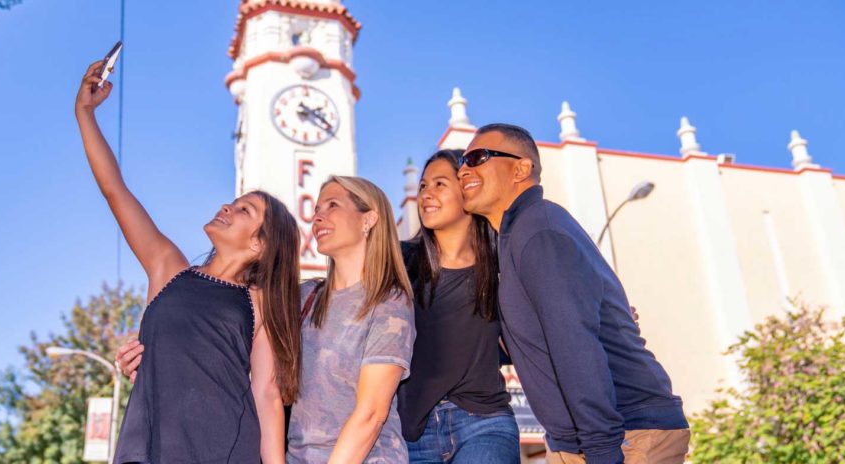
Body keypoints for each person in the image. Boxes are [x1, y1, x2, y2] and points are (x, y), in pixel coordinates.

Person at [75, 60, 301, 464]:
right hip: (146, 451)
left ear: (259, 245)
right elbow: (114, 190)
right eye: (233, 202)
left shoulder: (260, 300)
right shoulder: (169, 269)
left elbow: (266, 394)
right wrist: (86, 115)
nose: (227, 208)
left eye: (244, 211)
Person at [457, 124, 689, 464]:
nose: (464, 169)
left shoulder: (539, 230)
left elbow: (575, 346)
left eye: (477, 158)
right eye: (462, 162)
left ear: (521, 168)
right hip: (584, 440)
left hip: (627, 434)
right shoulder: (512, 238)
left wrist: (602, 452)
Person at [398, 150, 520, 463]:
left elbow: (542, 317)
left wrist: (600, 320)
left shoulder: (502, 264)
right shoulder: (399, 262)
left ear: (466, 190)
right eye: (423, 186)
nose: (426, 194)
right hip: (412, 432)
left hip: (484, 422)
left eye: (439, 184)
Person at [287, 175, 416, 463]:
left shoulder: (388, 301)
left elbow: (371, 414)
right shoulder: (304, 297)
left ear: (368, 220)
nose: (317, 217)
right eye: (317, 210)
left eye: (332, 205)